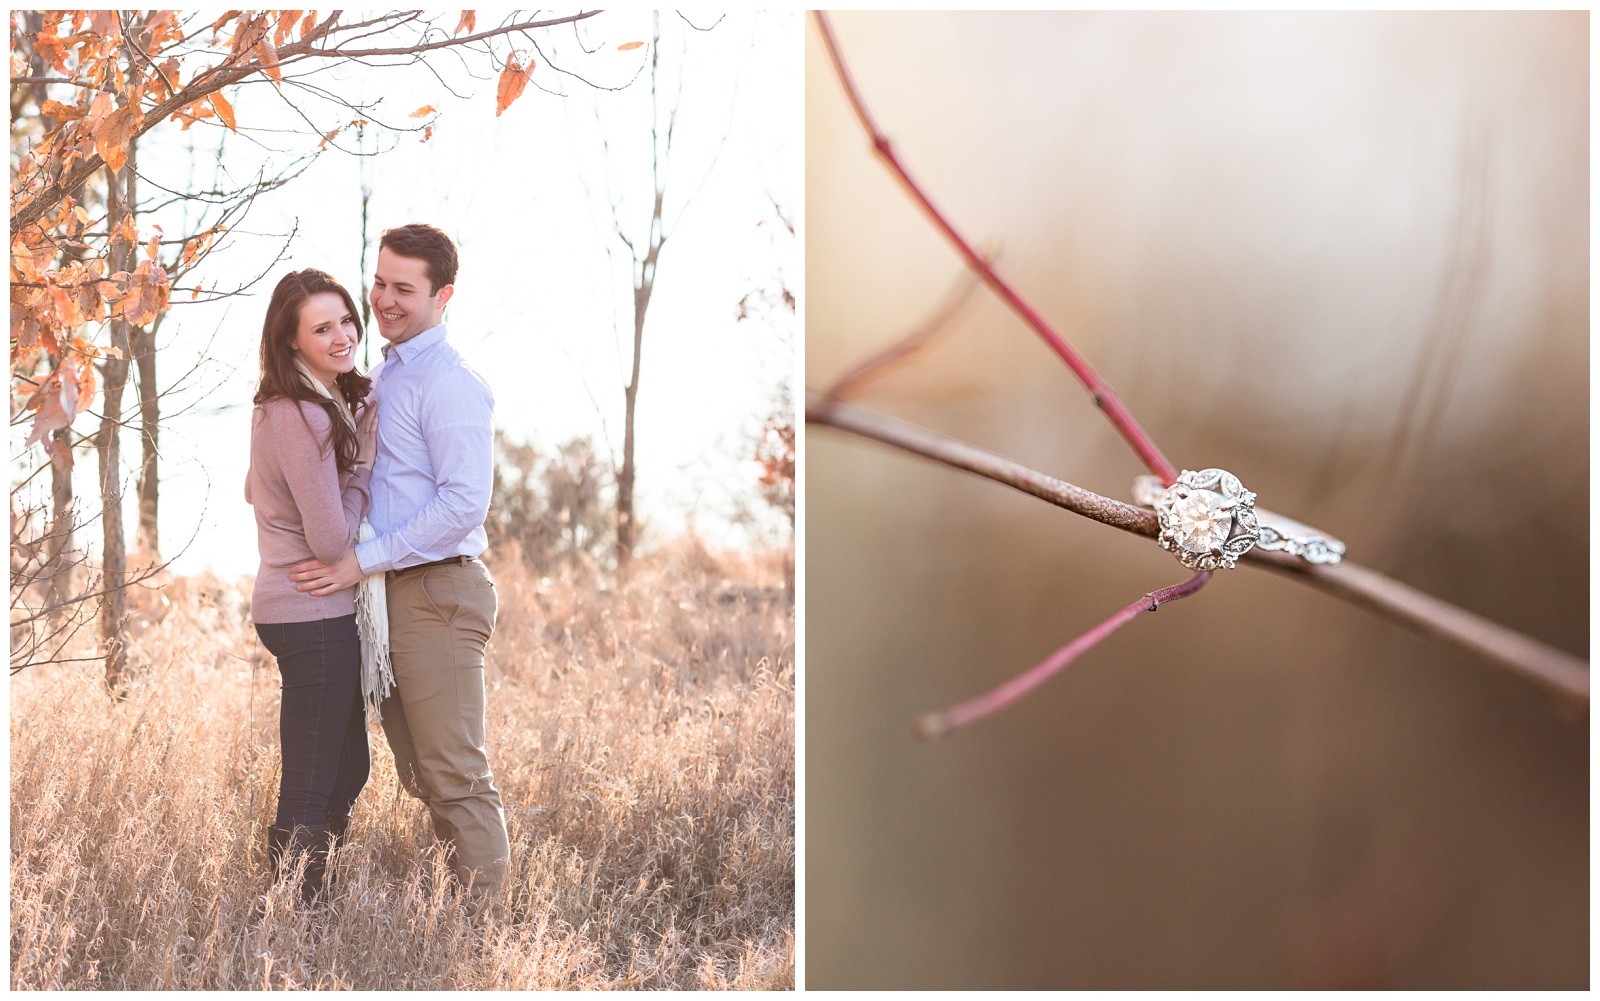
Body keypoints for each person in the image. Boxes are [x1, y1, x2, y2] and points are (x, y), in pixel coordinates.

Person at [289, 223, 510, 909]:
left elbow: (463, 503)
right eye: (380, 281)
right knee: (420, 771)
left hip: (437, 590)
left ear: (443, 295)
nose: (383, 298)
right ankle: (458, 912)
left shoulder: (451, 382)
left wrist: (362, 561)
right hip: (390, 598)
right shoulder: (384, 377)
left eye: (403, 288)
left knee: (455, 773)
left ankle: (489, 941)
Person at [246, 268, 378, 904]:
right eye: (320, 328)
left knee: (348, 766)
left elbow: (257, 491)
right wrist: (363, 469)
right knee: (313, 777)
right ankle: (297, 911)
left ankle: (308, 892)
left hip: (303, 609)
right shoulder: (303, 413)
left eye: (345, 320)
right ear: (292, 341)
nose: (341, 335)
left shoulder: (293, 406)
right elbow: (331, 542)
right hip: (310, 611)